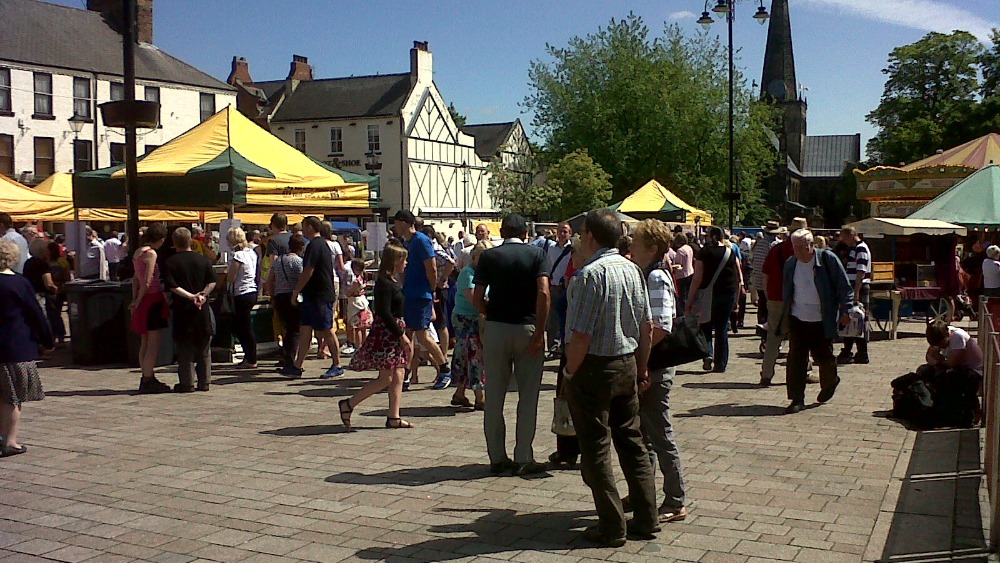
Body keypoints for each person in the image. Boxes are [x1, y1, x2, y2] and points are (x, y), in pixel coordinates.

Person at [563, 209, 659, 547]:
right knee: (632, 443)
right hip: (626, 364)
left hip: (594, 368)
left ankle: (612, 525)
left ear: (590, 236)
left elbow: (581, 336)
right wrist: (642, 366)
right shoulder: (632, 269)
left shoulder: (589, 275)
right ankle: (647, 518)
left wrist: (570, 371)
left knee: (596, 449)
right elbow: (646, 326)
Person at [473, 213, 550, 476]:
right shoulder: (537, 255)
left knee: (494, 395)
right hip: (527, 327)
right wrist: (540, 330)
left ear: (502, 232)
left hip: (497, 327)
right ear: (526, 233)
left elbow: (477, 295)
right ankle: (523, 456)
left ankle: (497, 457)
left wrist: (487, 314)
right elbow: (543, 291)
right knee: (528, 396)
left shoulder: (489, 256)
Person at [629, 219, 688, 523]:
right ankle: (644, 492)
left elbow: (660, 327)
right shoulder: (649, 272)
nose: (631, 246)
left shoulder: (655, 277)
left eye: (636, 241)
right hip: (650, 365)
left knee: (659, 433)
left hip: (655, 366)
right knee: (645, 433)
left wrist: (642, 364)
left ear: (651, 248)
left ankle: (675, 499)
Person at [341, 244, 415, 429]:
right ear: (395, 261)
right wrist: (401, 335)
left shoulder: (392, 280)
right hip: (388, 333)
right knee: (386, 377)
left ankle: (394, 417)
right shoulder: (384, 282)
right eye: (403, 260)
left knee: (398, 374)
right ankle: (349, 404)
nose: (406, 263)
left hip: (393, 330)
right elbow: (384, 311)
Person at [780, 229, 853, 414]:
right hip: (797, 318)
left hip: (822, 319)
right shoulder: (791, 264)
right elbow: (788, 290)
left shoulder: (827, 260)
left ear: (811, 245)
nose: (797, 252)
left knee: (824, 358)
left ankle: (830, 382)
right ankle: (797, 399)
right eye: (794, 247)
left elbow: (844, 287)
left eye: (801, 248)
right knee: (796, 360)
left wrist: (847, 310)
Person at [0, 239, 53, 457]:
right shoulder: (19, 284)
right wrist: (47, 341)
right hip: (15, 348)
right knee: (12, 398)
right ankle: (10, 442)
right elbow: (36, 314)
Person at [392, 210, 451, 390]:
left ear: (403, 222)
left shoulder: (421, 240)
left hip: (421, 295)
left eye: (396, 223)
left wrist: (432, 290)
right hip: (409, 294)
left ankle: (444, 369)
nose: (394, 227)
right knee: (408, 336)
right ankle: (406, 375)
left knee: (423, 336)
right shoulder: (406, 243)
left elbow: (431, 267)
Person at [284, 216, 340, 379]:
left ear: (309, 227)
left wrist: (296, 291)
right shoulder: (319, 244)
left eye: (303, 226)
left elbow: (308, 270)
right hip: (312, 295)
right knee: (305, 330)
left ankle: (337, 364)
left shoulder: (315, 245)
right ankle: (297, 365)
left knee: (326, 329)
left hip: (320, 295)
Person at [163, 228, 217, 392]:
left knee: (184, 348)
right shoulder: (203, 260)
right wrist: (202, 295)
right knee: (204, 348)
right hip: (202, 310)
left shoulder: (170, 262)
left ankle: (187, 383)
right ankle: (205, 381)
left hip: (182, 310)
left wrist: (190, 296)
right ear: (191, 241)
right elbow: (212, 281)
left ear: (174, 242)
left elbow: (172, 286)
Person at [684, 226, 742, 373]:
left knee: (706, 325)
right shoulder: (730, 252)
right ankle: (721, 363)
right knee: (722, 328)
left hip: (708, 293)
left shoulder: (704, 252)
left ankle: (708, 354)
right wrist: (737, 298)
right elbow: (737, 275)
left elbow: (697, 278)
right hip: (728, 293)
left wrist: (689, 300)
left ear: (711, 236)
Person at [759, 217, 808, 386]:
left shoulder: (777, 249)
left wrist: (767, 296)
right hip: (799, 300)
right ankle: (803, 372)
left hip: (775, 298)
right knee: (800, 338)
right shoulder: (806, 251)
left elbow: (765, 274)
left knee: (773, 337)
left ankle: (766, 374)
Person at [451, 240, 493, 410]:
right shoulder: (467, 273)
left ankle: (459, 394)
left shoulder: (489, 274)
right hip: (465, 319)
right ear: (474, 257)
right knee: (473, 357)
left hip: (479, 320)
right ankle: (479, 397)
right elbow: (475, 299)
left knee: (470, 357)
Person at [130, 224, 171, 394]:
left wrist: (135, 300)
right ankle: (148, 378)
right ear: (160, 239)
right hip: (152, 299)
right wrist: (139, 301)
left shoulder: (138, 253)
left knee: (144, 342)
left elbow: (136, 280)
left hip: (142, 300)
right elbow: (147, 282)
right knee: (153, 344)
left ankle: (146, 375)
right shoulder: (151, 254)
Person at [265, 234, 305, 368]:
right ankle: (290, 359)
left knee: (287, 328)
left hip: (280, 296)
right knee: (295, 329)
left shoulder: (278, 261)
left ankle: (285, 355)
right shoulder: (298, 261)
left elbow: (269, 281)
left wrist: (272, 297)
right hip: (293, 296)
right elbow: (302, 278)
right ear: (301, 247)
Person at [226, 227, 259, 370]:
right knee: (244, 326)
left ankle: (251, 358)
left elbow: (231, 277)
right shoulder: (251, 253)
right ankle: (249, 356)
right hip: (252, 290)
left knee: (243, 328)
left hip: (242, 293)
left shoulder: (238, 256)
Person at [838, 226, 871, 365]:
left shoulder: (861, 249)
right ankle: (850, 350)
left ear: (852, 235)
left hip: (858, 287)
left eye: (845, 238)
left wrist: (856, 291)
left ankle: (860, 352)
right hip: (853, 287)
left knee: (856, 318)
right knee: (851, 318)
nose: (844, 242)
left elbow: (861, 272)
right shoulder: (854, 249)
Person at [317, 221, 346, 370]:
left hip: (320, 281)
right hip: (333, 280)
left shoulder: (317, 244)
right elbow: (341, 267)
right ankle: (325, 347)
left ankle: (322, 346)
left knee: (320, 315)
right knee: (331, 313)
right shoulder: (335, 245)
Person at [23, 239, 61, 342]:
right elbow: (48, 283)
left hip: (31, 294)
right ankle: (49, 342)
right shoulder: (42, 264)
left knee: (36, 320)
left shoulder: (28, 263)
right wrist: (57, 290)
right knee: (47, 319)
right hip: (43, 295)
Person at [545, 222, 574, 358]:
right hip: (553, 286)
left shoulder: (573, 250)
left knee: (567, 318)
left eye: (565, 232)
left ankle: (564, 345)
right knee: (552, 318)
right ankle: (553, 347)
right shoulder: (550, 248)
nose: (563, 234)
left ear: (570, 234)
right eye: (561, 231)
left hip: (566, 287)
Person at [751, 222, 784, 325]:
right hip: (771, 280)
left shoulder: (758, 244)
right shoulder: (775, 245)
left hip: (759, 279)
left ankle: (760, 325)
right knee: (771, 307)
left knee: (762, 304)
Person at [344, 258, 373, 352]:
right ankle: (364, 347)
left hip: (355, 303)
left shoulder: (356, 281)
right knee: (363, 327)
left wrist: (347, 292)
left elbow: (349, 293)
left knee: (358, 327)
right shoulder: (364, 277)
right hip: (363, 301)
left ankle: (359, 347)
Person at [672, 232, 695, 304]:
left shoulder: (680, 250)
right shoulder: (689, 247)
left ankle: (683, 311)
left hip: (682, 276)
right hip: (690, 272)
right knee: (688, 294)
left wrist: (671, 266)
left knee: (682, 296)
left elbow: (679, 265)